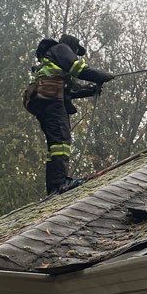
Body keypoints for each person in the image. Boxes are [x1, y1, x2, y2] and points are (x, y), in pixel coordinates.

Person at [23, 33, 113, 195]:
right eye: (77, 51)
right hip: (50, 99)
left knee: (55, 144)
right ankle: (60, 183)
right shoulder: (61, 48)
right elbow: (79, 69)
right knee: (61, 141)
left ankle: (54, 185)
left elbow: (71, 89)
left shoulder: (53, 62)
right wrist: (102, 76)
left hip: (42, 99)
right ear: (72, 45)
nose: (76, 55)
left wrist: (91, 90)